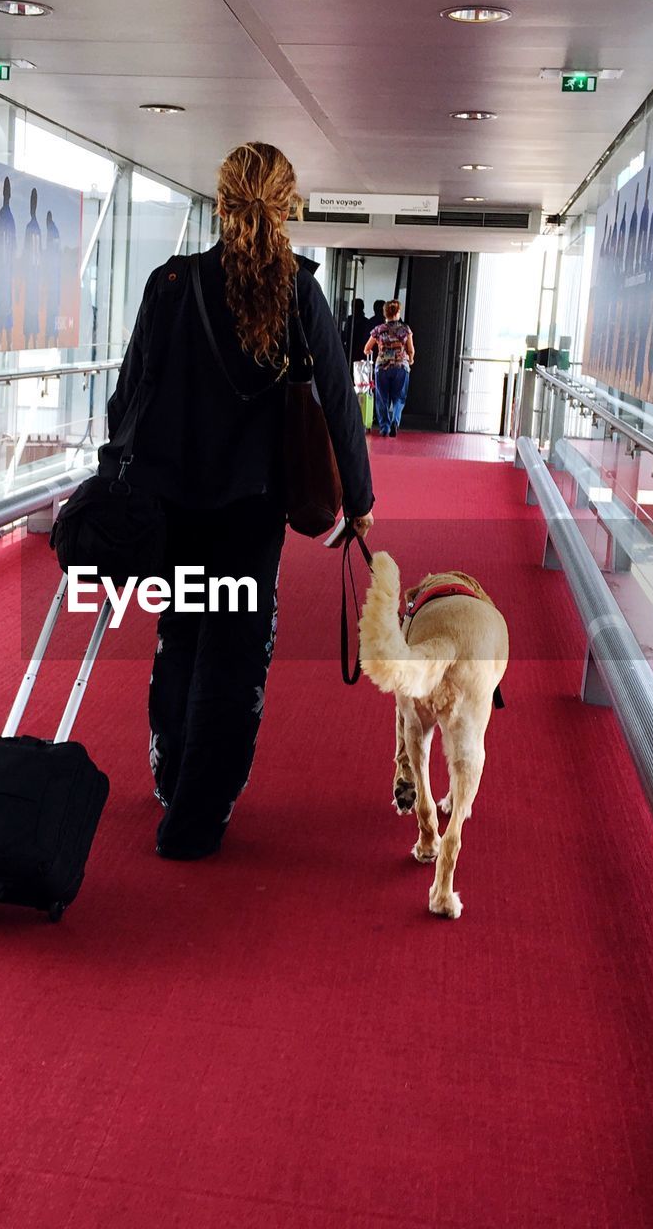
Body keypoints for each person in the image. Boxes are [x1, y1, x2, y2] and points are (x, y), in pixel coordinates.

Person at [102, 141, 374, 861]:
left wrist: (121, 479)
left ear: (219, 204)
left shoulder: (168, 284)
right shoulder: (298, 292)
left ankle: (170, 776)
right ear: (286, 208)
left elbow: (126, 397)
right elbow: (337, 406)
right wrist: (361, 501)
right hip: (251, 511)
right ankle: (197, 814)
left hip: (172, 505)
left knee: (182, 634)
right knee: (234, 652)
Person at [364, 299, 414, 436]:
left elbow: (366, 349)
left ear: (384, 313)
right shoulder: (405, 330)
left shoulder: (378, 330)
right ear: (398, 312)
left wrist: (374, 353)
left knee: (382, 398)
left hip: (382, 367)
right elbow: (411, 350)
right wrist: (411, 360)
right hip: (400, 366)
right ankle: (395, 421)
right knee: (399, 397)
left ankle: (384, 428)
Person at [0, 176, 16, 349]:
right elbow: (13, 248)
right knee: (7, 312)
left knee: (1, 315)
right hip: (7, 274)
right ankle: (7, 346)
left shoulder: (1, 216)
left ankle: (1, 347)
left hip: (2, 274)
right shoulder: (11, 219)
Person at [22, 187, 42, 348]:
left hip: (30, 277)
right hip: (35, 276)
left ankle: (31, 342)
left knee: (30, 311)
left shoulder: (29, 228)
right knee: (33, 311)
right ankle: (33, 342)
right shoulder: (38, 230)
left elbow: (26, 253)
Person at [42, 209, 61, 345]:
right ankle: (52, 336)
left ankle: (52, 336)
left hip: (54, 279)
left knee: (52, 310)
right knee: (53, 309)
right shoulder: (54, 231)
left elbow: (51, 253)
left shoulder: (51, 232)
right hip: (55, 279)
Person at [339, 297, 368, 365]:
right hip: (355, 351)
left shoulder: (349, 320)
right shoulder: (365, 321)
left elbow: (345, 335)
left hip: (355, 351)